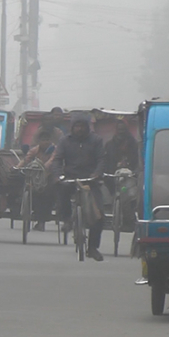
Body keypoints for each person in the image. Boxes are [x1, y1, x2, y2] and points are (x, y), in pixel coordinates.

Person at [52, 112, 106, 262]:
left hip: (90, 180)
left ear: (87, 127)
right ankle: (67, 219)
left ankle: (93, 248)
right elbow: (57, 160)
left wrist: (97, 173)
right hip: (70, 178)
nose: (79, 129)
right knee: (61, 191)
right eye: (77, 126)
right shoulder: (64, 141)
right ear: (72, 127)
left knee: (99, 215)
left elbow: (102, 159)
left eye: (82, 126)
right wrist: (57, 175)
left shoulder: (96, 140)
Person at [16, 127, 57, 231]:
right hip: (35, 177)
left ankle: (41, 220)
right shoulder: (34, 150)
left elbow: (52, 161)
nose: (45, 142)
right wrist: (17, 168)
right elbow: (26, 160)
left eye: (47, 140)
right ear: (39, 141)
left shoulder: (55, 150)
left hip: (50, 178)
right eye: (43, 140)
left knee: (48, 194)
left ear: (51, 141)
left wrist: (43, 168)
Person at [104, 121, 139, 192]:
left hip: (130, 176)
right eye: (119, 130)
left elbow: (137, 161)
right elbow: (106, 161)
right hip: (113, 177)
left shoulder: (134, 144)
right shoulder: (109, 145)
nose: (121, 132)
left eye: (123, 130)